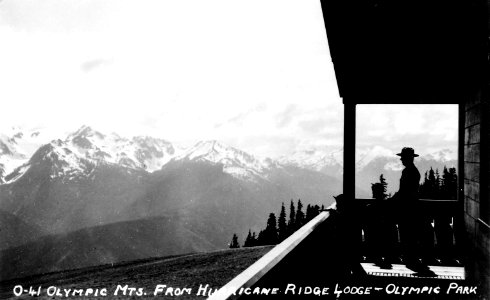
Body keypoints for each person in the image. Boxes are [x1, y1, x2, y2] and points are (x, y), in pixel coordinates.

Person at [390, 147, 436, 276]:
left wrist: (393, 200)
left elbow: (404, 191)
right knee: (410, 234)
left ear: (408, 158)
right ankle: (412, 261)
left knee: (407, 234)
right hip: (410, 207)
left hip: (407, 208)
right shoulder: (412, 171)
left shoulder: (409, 172)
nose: (401, 159)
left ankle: (411, 260)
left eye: (403, 157)